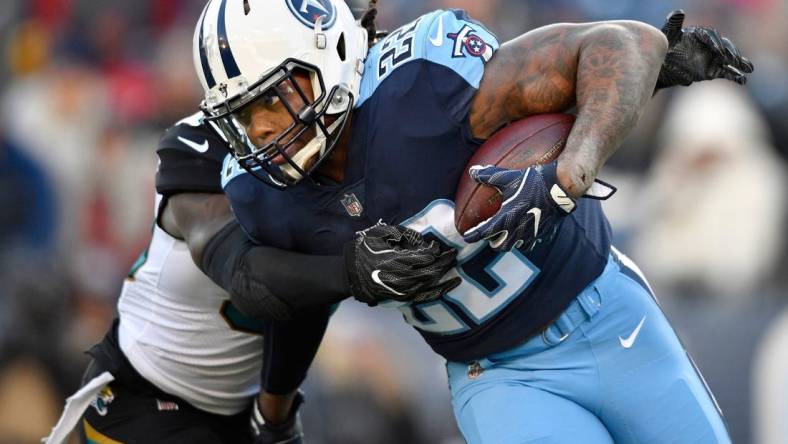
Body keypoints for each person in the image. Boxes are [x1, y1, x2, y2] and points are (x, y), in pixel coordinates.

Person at [195, 0, 754, 442]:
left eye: (274, 99)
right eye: (242, 115)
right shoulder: (260, 191)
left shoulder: (421, 86)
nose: (262, 130)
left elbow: (626, 43)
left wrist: (567, 177)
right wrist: (276, 402)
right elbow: (285, 295)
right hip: (499, 379)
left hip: (609, 315)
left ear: (330, 53)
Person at [43, 111, 458, 444]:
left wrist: (274, 415)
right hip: (146, 394)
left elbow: (302, 304)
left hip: (238, 410)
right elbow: (250, 277)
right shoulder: (202, 149)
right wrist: (352, 270)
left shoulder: (337, 146)